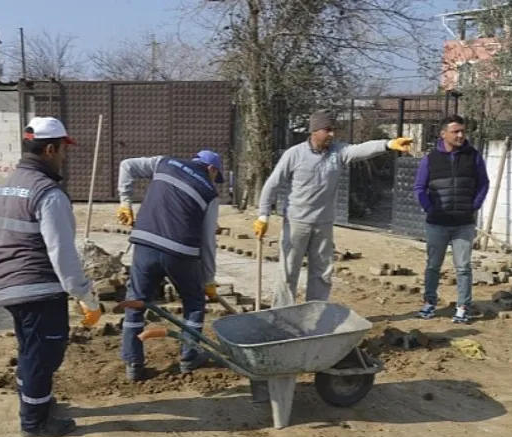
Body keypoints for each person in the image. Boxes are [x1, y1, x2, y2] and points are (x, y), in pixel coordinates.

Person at [0, 116, 102, 437]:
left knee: (29, 350)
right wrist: (85, 295)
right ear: (50, 149)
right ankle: (35, 423)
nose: (65, 156)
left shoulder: (9, 183)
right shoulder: (48, 193)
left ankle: (37, 403)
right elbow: (62, 254)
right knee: (44, 354)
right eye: (63, 149)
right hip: (35, 287)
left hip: (6, 281)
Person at [254, 109, 414, 306]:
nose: (332, 134)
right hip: (297, 222)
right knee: (288, 270)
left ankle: (316, 312)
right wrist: (263, 216)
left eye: (333, 130)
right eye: (327, 130)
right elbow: (272, 183)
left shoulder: (338, 152)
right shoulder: (294, 155)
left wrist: (388, 144)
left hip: (324, 223)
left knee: (322, 272)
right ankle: (282, 313)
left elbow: (360, 149)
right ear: (314, 131)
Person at [115, 149, 223, 382]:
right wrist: (208, 279)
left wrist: (125, 202)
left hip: (145, 245)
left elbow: (126, 165)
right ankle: (188, 357)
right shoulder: (209, 192)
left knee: (136, 301)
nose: (216, 181)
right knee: (194, 304)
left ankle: (133, 363)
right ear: (211, 169)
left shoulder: (164, 163)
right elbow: (207, 242)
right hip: (181, 253)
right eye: (217, 176)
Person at [413, 115, 489, 324]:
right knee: (433, 266)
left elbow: (483, 183)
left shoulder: (473, 156)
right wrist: (429, 208)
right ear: (443, 133)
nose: (460, 135)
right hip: (437, 223)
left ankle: (463, 306)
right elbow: (419, 187)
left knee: (463, 267)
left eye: (463, 131)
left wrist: (474, 206)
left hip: (463, 224)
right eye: (455, 131)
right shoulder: (430, 159)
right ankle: (429, 303)